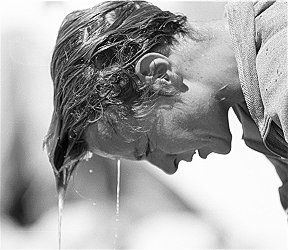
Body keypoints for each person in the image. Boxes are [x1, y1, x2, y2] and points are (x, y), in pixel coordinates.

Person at [44, 1, 288, 212]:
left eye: (148, 147)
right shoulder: (253, 101)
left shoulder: (280, 72)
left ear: (160, 75)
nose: (168, 169)